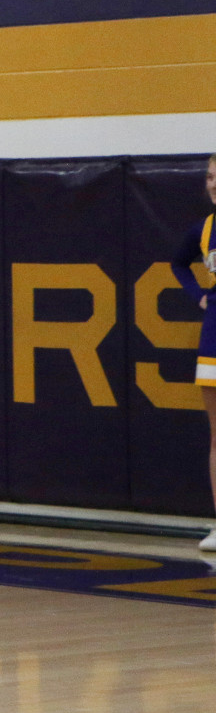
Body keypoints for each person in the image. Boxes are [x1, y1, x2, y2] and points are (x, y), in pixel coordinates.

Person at [165, 153, 216, 554]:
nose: (213, 183)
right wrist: (199, 295)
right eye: (210, 177)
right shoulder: (204, 229)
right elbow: (179, 263)